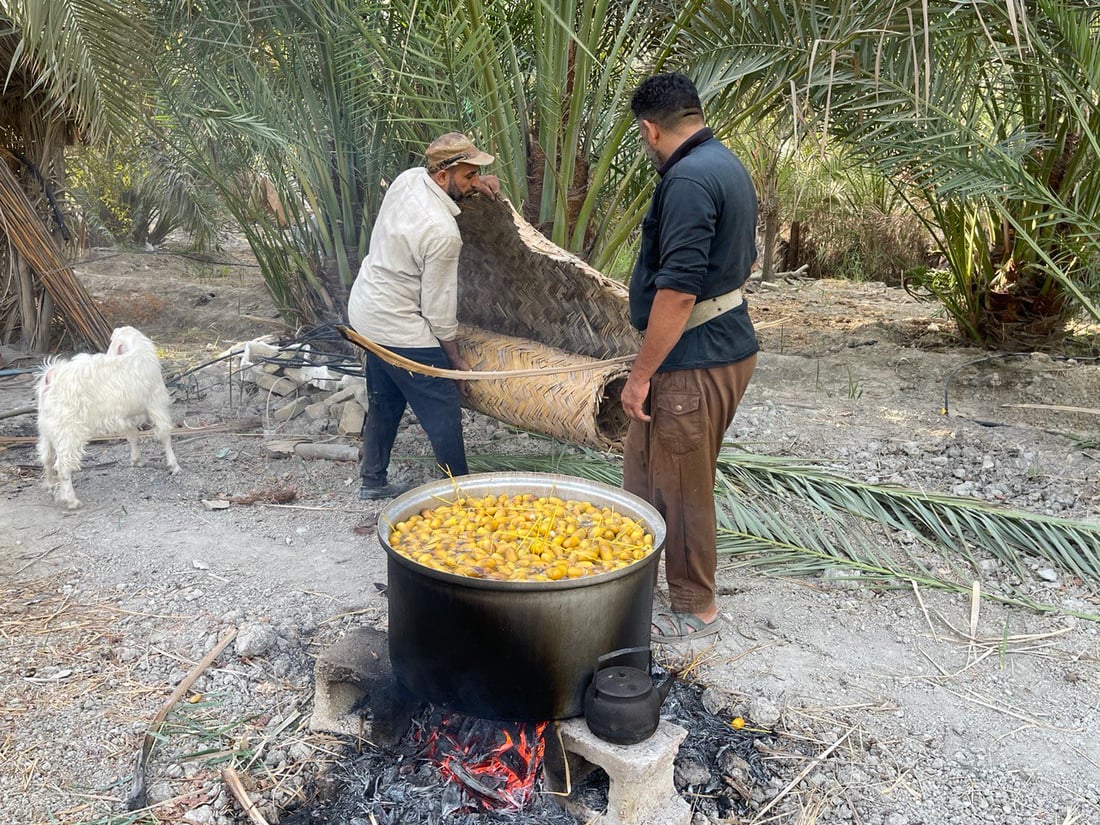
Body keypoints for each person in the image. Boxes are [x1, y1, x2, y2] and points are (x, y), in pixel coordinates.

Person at [620, 73, 759, 641]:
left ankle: (694, 606)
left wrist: (639, 376)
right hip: (721, 345)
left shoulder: (686, 181)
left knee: (679, 484)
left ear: (651, 129)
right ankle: (629, 578)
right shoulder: (725, 163)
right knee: (647, 472)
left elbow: (677, 292)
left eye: (641, 136)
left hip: (692, 362)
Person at [347, 132, 500, 500]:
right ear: (443, 174)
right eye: (467, 176)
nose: (472, 183)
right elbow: (438, 309)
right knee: (442, 404)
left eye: (474, 176)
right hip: (399, 324)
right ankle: (458, 494)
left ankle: (372, 480)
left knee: (386, 396)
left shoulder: (409, 180)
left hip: (365, 308)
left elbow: (447, 184)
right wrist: (452, 360)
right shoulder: (442, 232)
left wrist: (475, 184)